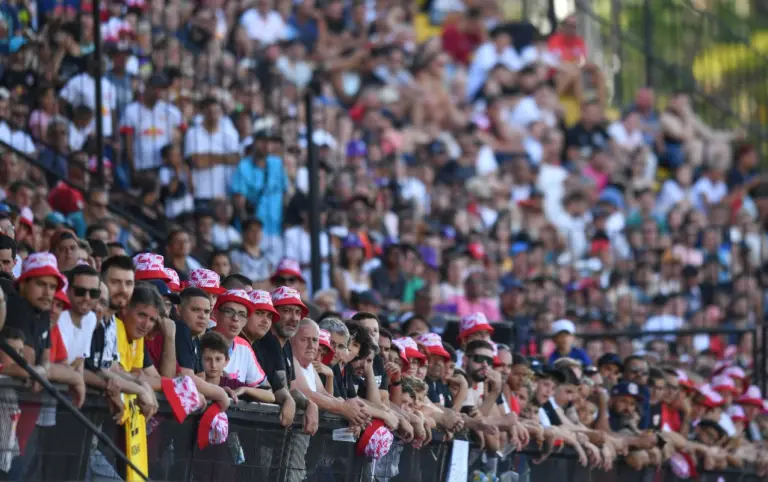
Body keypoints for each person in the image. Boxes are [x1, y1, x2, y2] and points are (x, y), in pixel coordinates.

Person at [200, 331, 275, 403]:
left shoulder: (231, 384)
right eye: (208, 359)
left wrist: (245, 389)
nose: (213, 365)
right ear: (199, 359)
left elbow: (271, 397)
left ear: (226, 361)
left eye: (218, 359)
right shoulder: (194, 382)